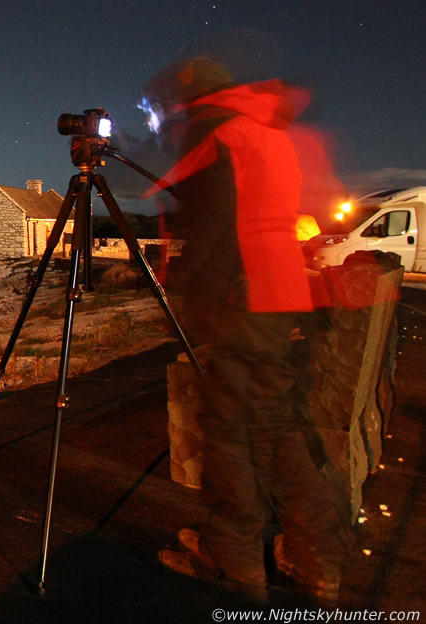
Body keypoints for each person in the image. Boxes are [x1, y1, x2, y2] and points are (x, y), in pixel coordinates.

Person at [138, 57, 354, 603]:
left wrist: (185, 284)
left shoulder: (219, 130)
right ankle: (317, 558)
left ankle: (233, 563)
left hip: (241, 295)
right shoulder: (265, 129)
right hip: (277, 292)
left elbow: (215, 219)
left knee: (229, 436)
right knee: (277, 429)